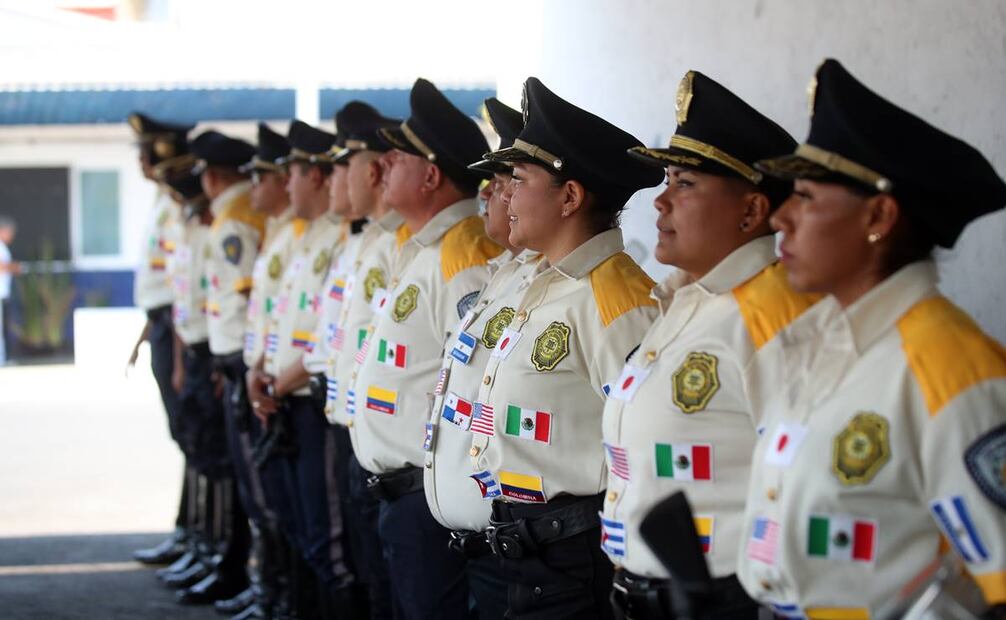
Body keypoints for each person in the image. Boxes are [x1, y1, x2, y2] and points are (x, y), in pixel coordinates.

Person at [735, 59, 1006, 619]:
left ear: (879, 215)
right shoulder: (813, 342)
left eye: (805, 196)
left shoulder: (947, 361)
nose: (781, 217)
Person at [599, 70, 818, 619]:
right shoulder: (688, 299)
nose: (660, 203)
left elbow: (802, 486)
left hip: (725, 600)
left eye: (684, 183)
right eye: (666, 179)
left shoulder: (772, 312)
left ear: (751, 212)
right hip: (647, 594)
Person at [467, 76, 662, 619]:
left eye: (520, 180)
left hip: (570, 560)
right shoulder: (547, 281)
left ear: (570, 197)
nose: (505, 196)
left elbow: (640, 449)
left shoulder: (615, 296)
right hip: (523, 548)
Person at [350, 77, 503, 619]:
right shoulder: (427, 249)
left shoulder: (462, 256)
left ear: (432, 175)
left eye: (399, 158)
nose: (383, 165)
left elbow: (479, 383)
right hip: (404, 493)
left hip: (425, 496)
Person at [423, 96, 533, 618]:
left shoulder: (595, 295)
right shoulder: (510, 277)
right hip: (477, 526)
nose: (493, 192)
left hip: (530, 543)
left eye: (514, 178)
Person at [249, 119, 353, 618]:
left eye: (292, 173)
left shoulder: (338, 239)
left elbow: (326, 335)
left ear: (315, 176)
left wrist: (279, 380)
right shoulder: (307, 236)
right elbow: (280, 318)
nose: (285, 183)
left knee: (326, 540)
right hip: (282, 393)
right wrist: (262, 372)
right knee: (296, 525)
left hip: (309, 401)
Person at [323, 101, 405, 620]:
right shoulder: (371, 239)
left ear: (371, 168)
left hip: (391, 452)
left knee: (386, 584)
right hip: (356, 427)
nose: (339, 177)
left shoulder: (403, 244)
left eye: (343, 164)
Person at [175, 129, 263, 605]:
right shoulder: (233, 213)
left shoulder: (233, 221)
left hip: (235, 358)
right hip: (230, 356)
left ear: (211, 177)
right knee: (229, 467)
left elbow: (249, 298)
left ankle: (239, 572)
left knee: (240, 474)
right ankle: (234, 567)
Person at [214, 121, 297, 620]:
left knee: (282, 507)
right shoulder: (285, 232)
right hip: (258, 373)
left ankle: (279, 596)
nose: (257, 187)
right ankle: (271, 590)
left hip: (285, 386)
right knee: (262, 497)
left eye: (262, 177)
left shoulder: (299, 234)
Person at [126, 113, 197, 566]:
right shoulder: (162, 202)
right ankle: (191, 533)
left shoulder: (177, 204)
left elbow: (181, 285)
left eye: (145, 150)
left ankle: (196, 535)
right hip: (163, 324)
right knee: (188, 436)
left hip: (179, 329)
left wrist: (172, 346)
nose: (140, 160)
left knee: (196, 438)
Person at [0, 216, 20, 366]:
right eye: (9, 232)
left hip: (4, 293)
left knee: (5, 326)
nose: (11, 236)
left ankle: (5, 358)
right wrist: (13, 267)